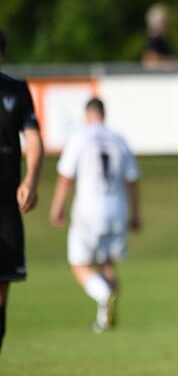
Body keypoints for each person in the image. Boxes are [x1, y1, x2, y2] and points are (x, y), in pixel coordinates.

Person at [49, 98, 141, 333]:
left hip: (89, 210)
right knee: (107, 263)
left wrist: (57, 206)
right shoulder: (119, 139)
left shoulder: (80, 137)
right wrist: (136, 213)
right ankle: (104, 320)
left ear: (87, 115)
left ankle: (104, 295)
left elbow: (66, 176)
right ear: (104, 114)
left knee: (79, 264)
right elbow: (132, 180)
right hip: (117, 208)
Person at [0, 29, 44, 353]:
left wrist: (30, 180)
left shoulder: (15, 91)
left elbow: (32, 139)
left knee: (2, 291)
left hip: (4, 206)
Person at [141, 3, 177, 70]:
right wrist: (169, 61)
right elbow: (149, 60)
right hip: (157, 77)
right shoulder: (155, 40)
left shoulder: (160, 39)